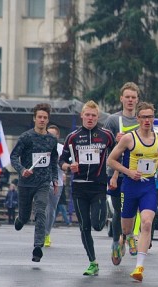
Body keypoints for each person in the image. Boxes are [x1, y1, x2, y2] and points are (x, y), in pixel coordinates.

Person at [108, 102, 158, 282]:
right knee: (127, 227)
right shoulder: (129, 138)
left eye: (150, 117)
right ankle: (123, 239)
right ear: (138, 119)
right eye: (143, 117)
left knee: (147, 223)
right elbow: (111, 160)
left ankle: (139, 267)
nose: (147, 120)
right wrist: (128, 172)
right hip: (130, 187)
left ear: (153, 118)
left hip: (148, 186)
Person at [59, 100, 115, 276]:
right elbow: (61, 160)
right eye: (87, 115)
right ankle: (93, 262)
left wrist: (114, 175)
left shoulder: (106, 135)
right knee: (84, 227)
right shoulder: (72, 137)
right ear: (82, 115)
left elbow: (117, 155)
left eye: (93, 115)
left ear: (98, 117)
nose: (90, 118)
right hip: (79, 187)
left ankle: (107, 218)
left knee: (97, 226)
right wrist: (69, 167)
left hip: (98, 186)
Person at [10, 103, 59, 262]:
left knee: (40, 211)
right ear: (34, 118)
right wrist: (22, 170)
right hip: (25, 183)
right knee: (25, 216)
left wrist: (54, 178)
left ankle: (38, 247)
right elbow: (13, 157)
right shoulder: (26, 137)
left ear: (48, 119)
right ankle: (20, 220)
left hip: (43, 183)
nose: (42, 120)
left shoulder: (52, 139)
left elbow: (53, 160)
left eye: (45, 118)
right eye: (39, 117)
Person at [103, 82, 140, 265]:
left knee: (131, 209)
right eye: (127, 97)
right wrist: (116, 142)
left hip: (135, 172)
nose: (130, 100)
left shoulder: (141, 120)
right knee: (119, 209)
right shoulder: (112, 120)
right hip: (116, 172)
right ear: (121, 99)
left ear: (137, 99)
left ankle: (127, 237)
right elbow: (105, 146)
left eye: (133, 97)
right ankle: (117, 241)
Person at [44, 125, 65, 247]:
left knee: (51, 211)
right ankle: (41, 233)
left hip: (58, 183)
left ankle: (47, 233)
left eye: (53, 134)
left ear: (57, 136)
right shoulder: (41, 147)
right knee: (43, 209)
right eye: (49, 134)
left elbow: (67, 163)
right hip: (42, 183)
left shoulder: (62, 149)